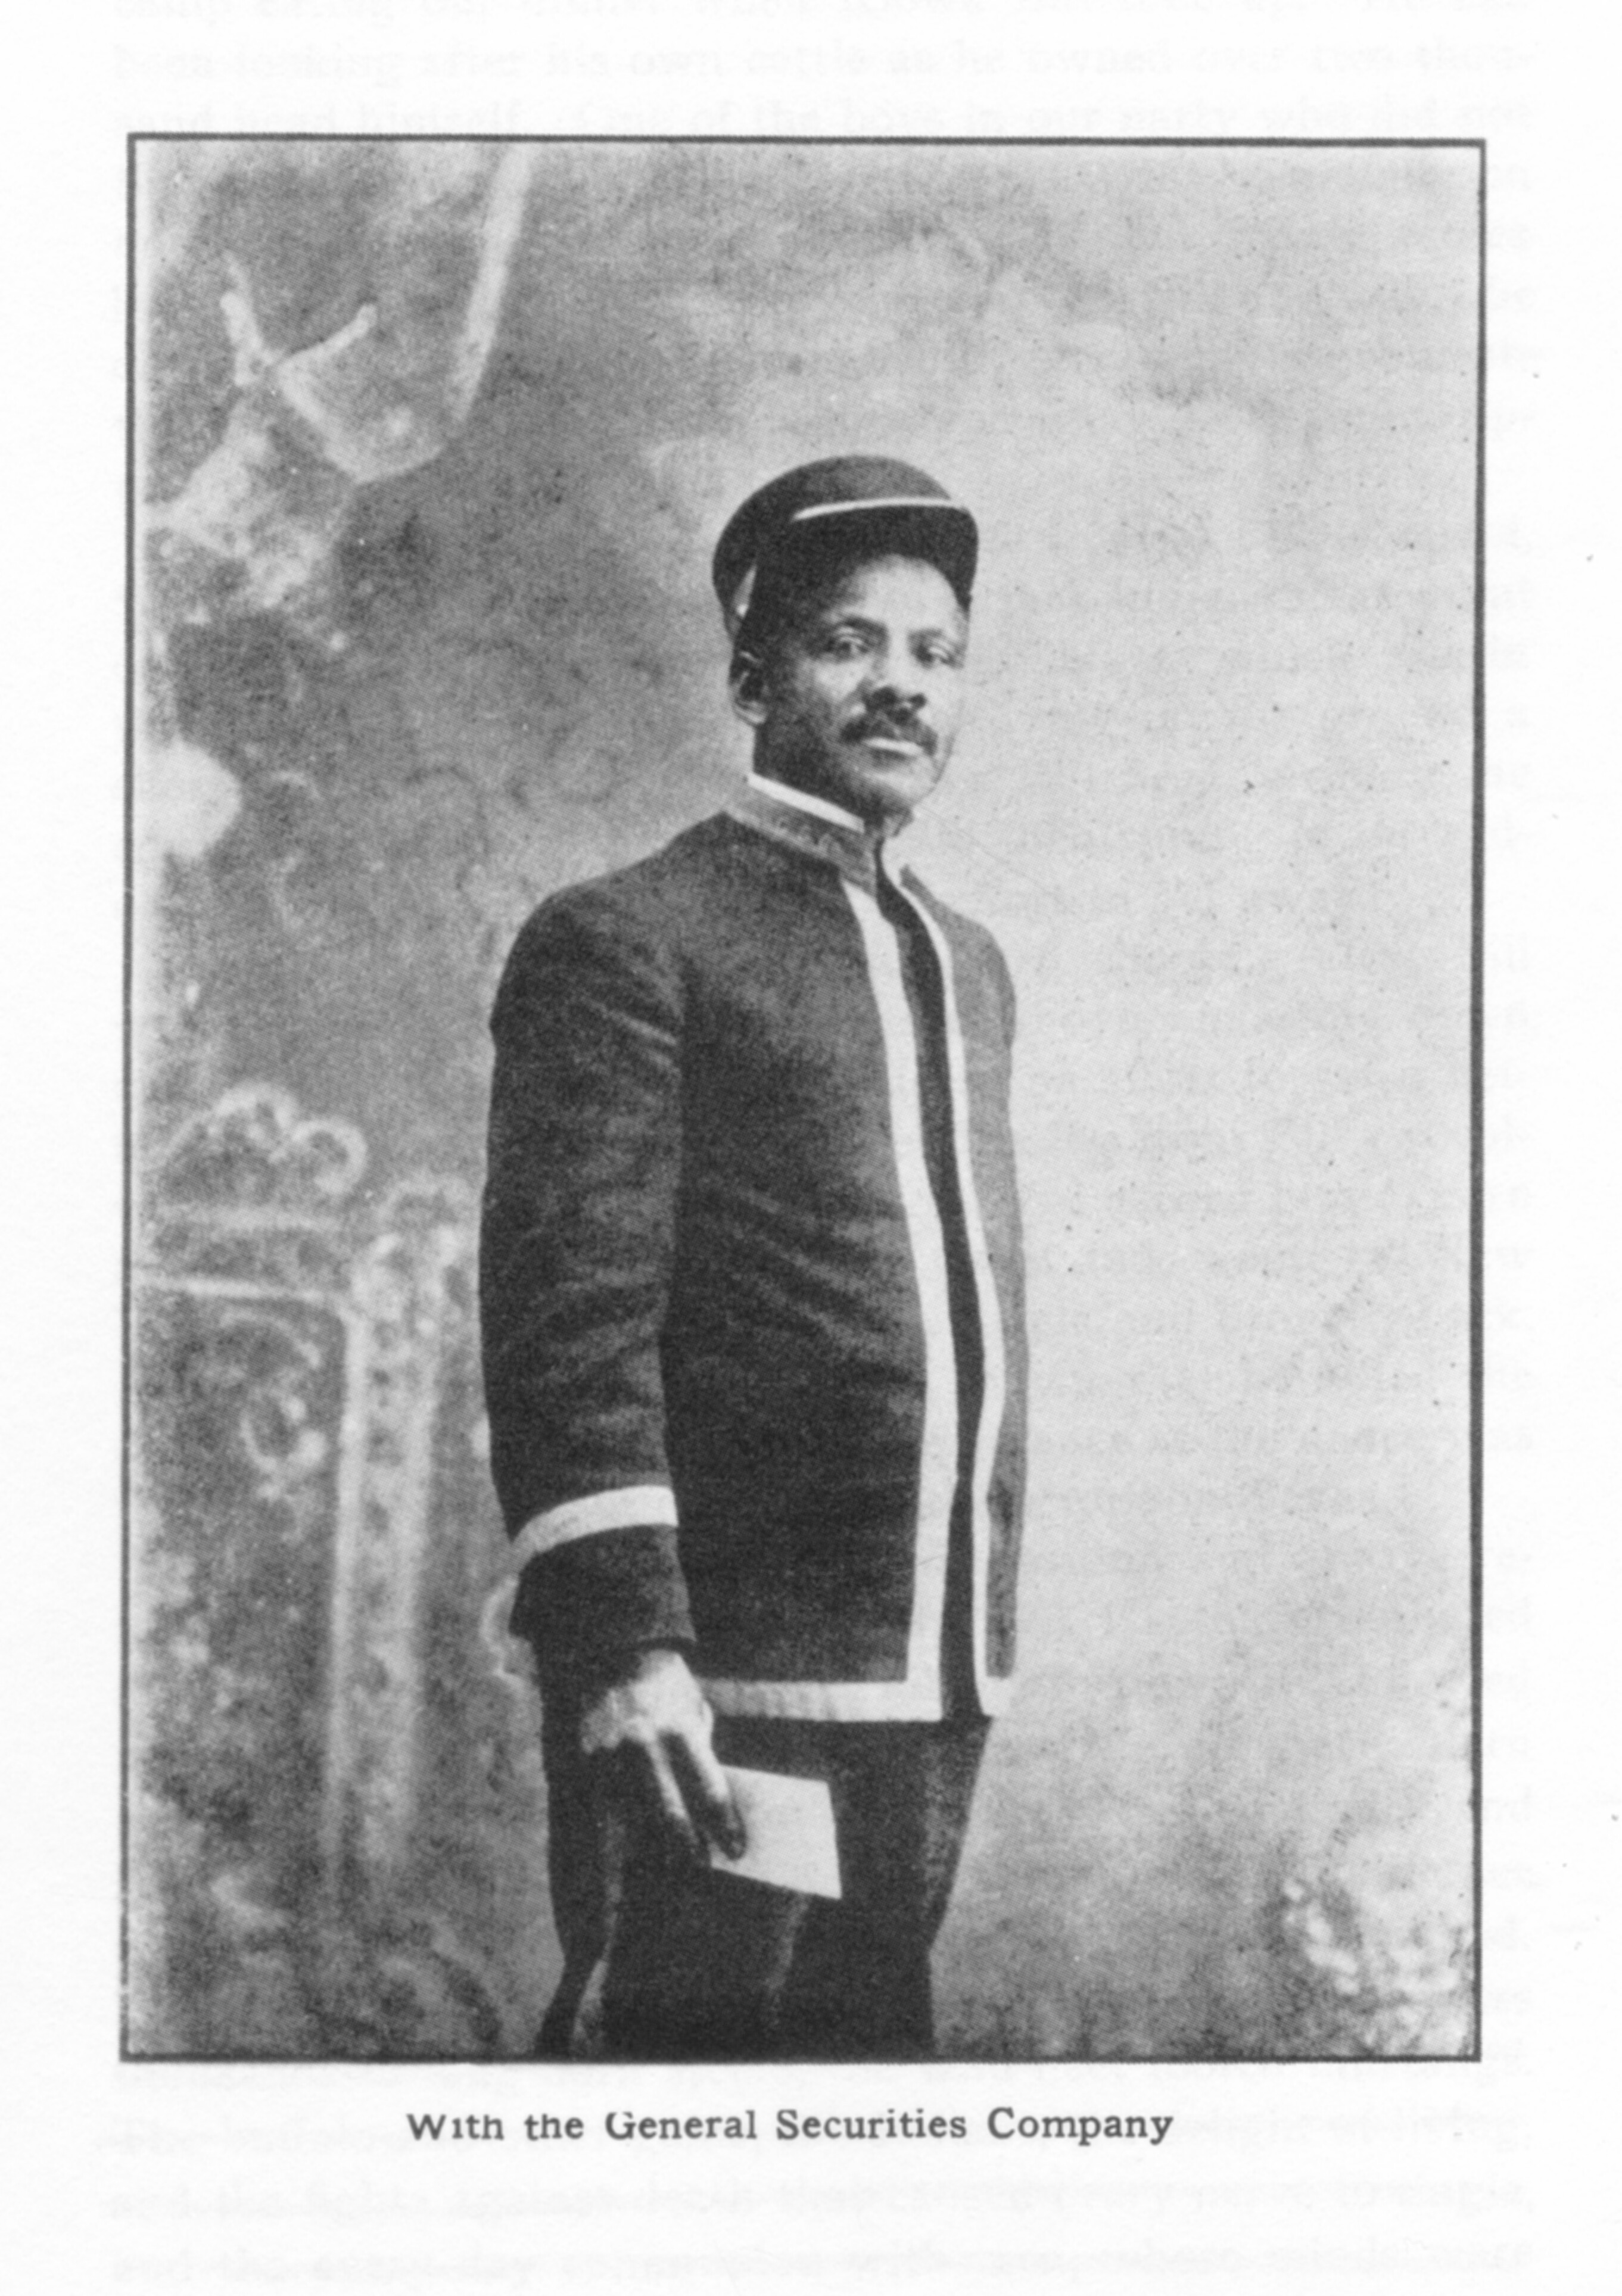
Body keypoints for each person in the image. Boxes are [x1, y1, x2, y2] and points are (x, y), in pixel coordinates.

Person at [480, 454, 1027, 2060]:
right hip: (718, 1682)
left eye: (934, 655)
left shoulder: (969, 963)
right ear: (751, 678)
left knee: (862, 2100)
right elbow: (568, 1325)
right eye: (848, 643)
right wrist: (624, 1646)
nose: (899, 686)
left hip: (930, 1668)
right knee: (674, 2092)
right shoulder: (628, 935)